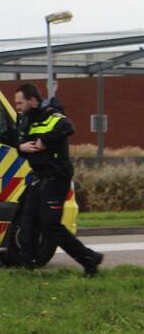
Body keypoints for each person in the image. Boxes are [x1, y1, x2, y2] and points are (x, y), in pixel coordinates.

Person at [13, 83, 103, 276]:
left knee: (50, 225)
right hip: (38, 178)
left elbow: (68, 127)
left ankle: (89, 259)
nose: (17, 107)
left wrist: (44, 140)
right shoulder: (25, 120)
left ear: (33, 101)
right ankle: (26, 269)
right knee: (27, 222)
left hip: (56, 178)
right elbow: (18, 140)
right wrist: (21, 148)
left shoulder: (52, 116)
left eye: (20, 103)